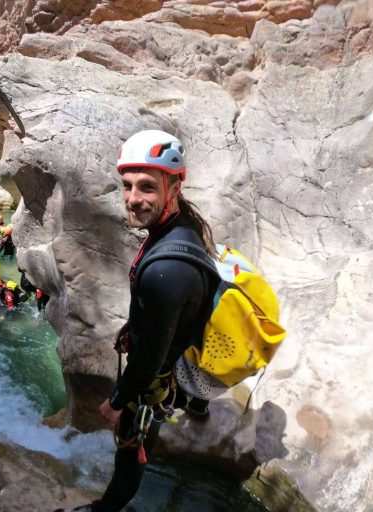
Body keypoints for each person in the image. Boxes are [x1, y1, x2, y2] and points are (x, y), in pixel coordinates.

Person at [60, 130, 217, 512]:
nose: (133, 199)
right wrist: (136, 325)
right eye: (127, 186)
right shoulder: (182, 229)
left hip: (155, 378)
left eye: (147, 187)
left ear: (175, 186)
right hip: (178, 353)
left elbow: (149, 357)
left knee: (131, 451)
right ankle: (197, 406)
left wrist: (118, 400)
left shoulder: (166, 268)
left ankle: (106, 509)